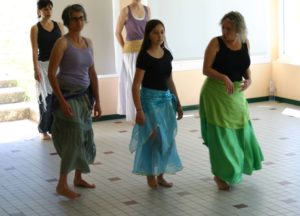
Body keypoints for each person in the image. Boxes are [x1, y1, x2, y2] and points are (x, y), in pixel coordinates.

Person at [199, 11, 264, 190]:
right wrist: (223, 77)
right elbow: (206, 69)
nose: (225, 32)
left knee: (241, 130)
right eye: (223, 28)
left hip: (236, 94)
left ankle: (235, 167)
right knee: (222, 136)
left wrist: (249, 78)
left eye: (229, 29)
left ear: (239, 30)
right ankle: (219, 175)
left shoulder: (245, 43)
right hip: (215, 94)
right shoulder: (216, 43)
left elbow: (244, 66)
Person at [48, 4, 101, 199]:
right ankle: (62, 184)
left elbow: (92, 73)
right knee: (74, 137)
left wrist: (99, 101)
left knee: (86, 137)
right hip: (68, 96)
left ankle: (79, 178)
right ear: (67, 22)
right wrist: (62, 102)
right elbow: (52, 75)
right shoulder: (62, 43)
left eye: (81, 18)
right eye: (74, 19)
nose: (78, 22)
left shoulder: (89, 43)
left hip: (84, 97)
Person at [129, 19, 183, 189]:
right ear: (148, 35)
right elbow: (136, 84)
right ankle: (150, 174)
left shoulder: (167, 54)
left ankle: (161, 174)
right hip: (149, 102)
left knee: (167, 139)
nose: (160, 36)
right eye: (155, 32)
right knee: (154, 138)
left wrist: (178, 102)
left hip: (166, 101)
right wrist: (138, 110)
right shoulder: (144, 56)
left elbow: (169, 80)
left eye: (162, 32)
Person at [30, 0, 64, 140]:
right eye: (45, 9)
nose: (48, 11)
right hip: (43, 66)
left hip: (59, 65)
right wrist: (35, 69)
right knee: (45, 98)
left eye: (50, 8)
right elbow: (34, 50)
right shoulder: (35, 28)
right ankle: (44, 130)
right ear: (39, 11)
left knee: (59, 97)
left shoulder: (59, 25)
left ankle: (57, 128)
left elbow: (64, 45)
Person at [115, 0, 150, 121]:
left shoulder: (147, 10)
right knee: (134, 82)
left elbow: (149, 32)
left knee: (146, 81)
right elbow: (117, 33)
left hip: (146, 50)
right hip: (131, 52)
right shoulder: (125, 11)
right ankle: (136, 114)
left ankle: (147, 112)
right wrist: (125, 47)